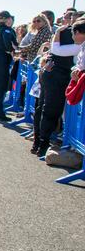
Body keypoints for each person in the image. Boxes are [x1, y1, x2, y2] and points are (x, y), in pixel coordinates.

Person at [32, 18, 85, 156]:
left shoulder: (65, 32)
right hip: (57, 76)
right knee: (49, 111)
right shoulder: (72, 36)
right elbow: (56, 50)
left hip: (52, 73)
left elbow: (55, 49)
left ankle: (39, 143)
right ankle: (42, 144)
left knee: (43, 109)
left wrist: (57, 33)